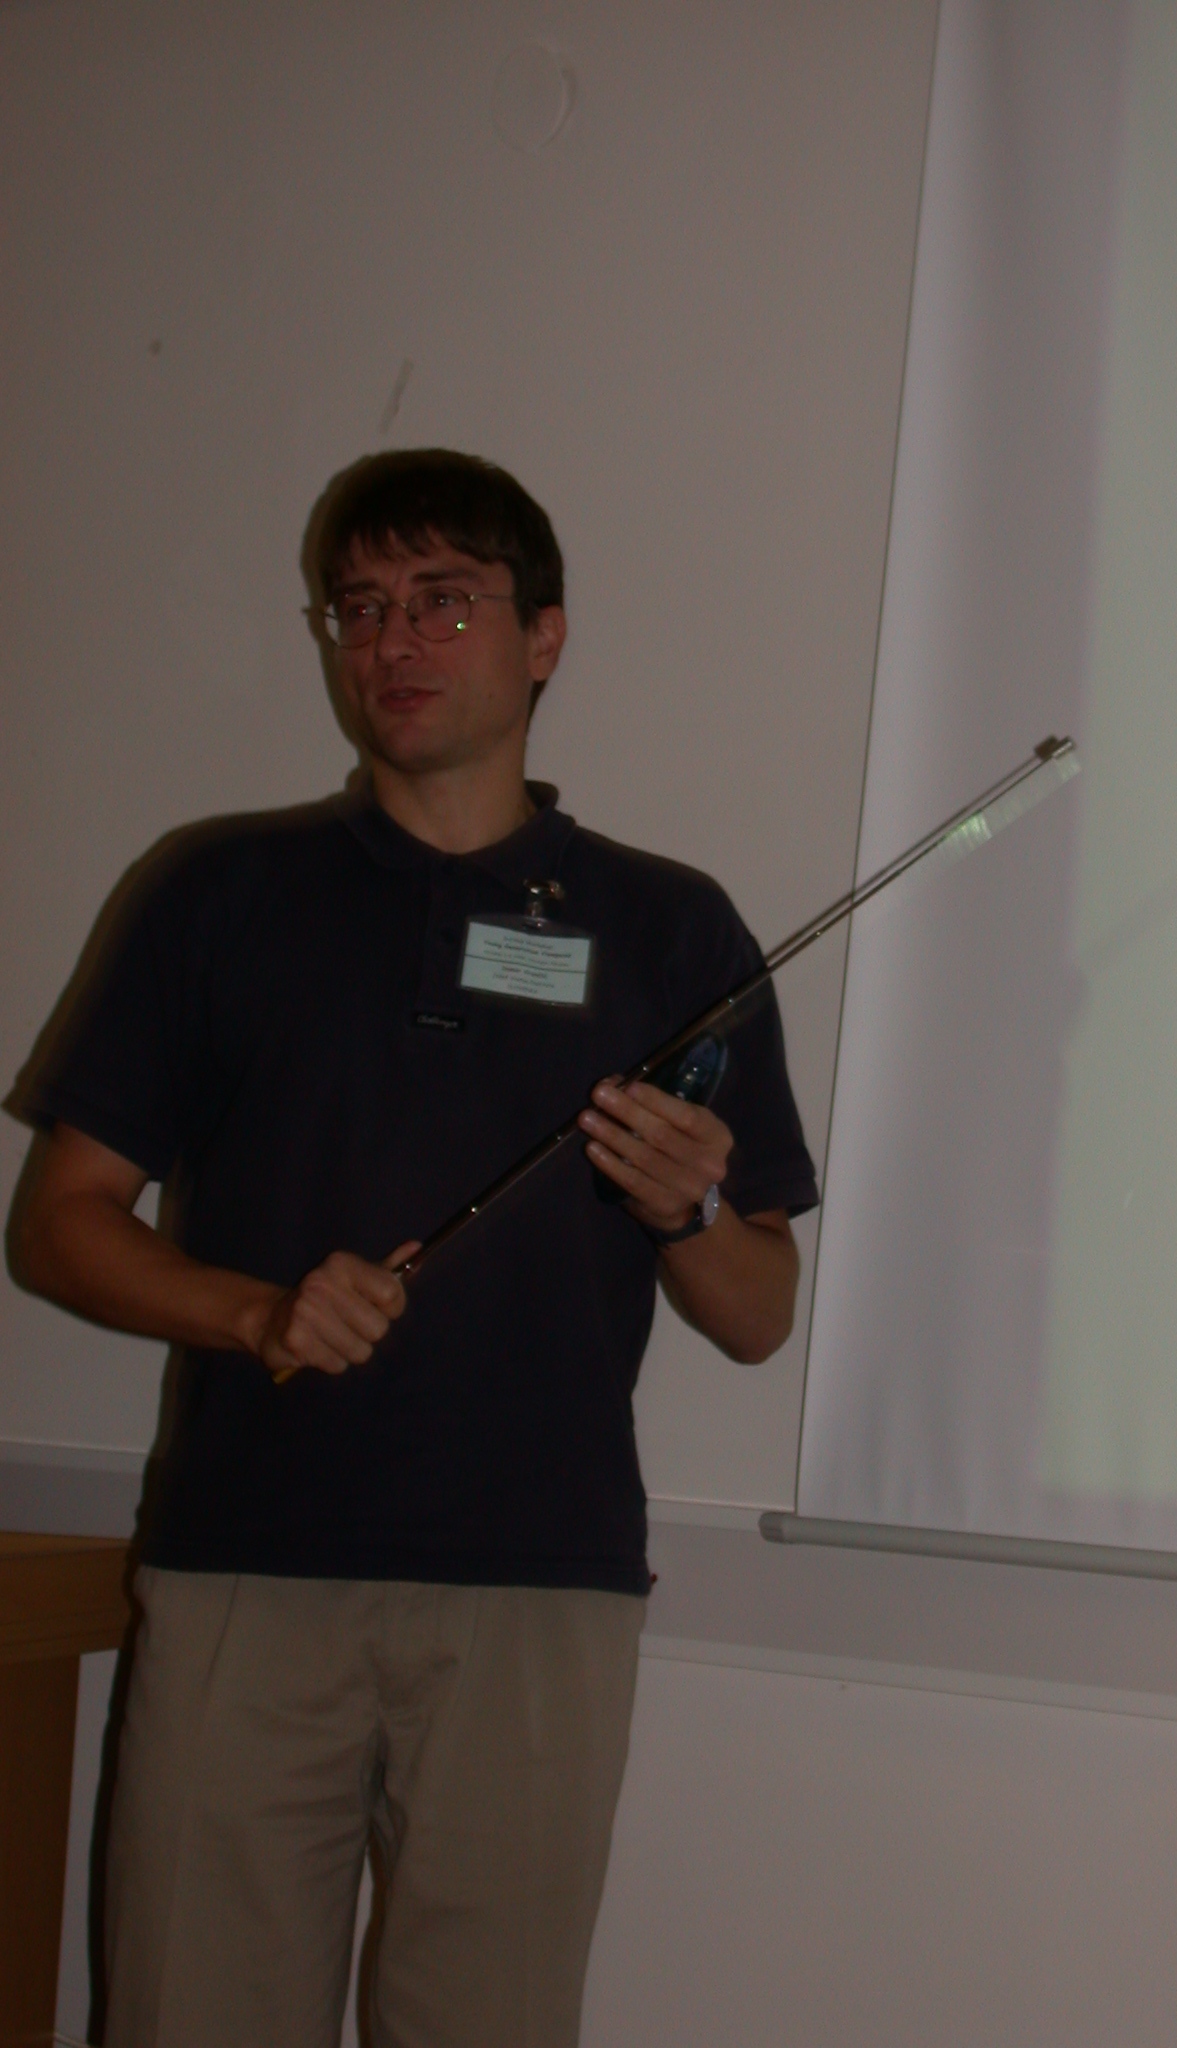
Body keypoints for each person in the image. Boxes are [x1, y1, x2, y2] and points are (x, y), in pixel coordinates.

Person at [7, 448, 819, 2048]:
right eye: (361, 607)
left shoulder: (673, 928)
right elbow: (60, 1226)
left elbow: (758, 1314)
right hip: (247, 1572)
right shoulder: (217, 892)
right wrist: (255, 1315)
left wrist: (687, 1210)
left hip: (536, 1594)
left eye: (445, 601)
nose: (394, 641)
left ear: (545, 635)